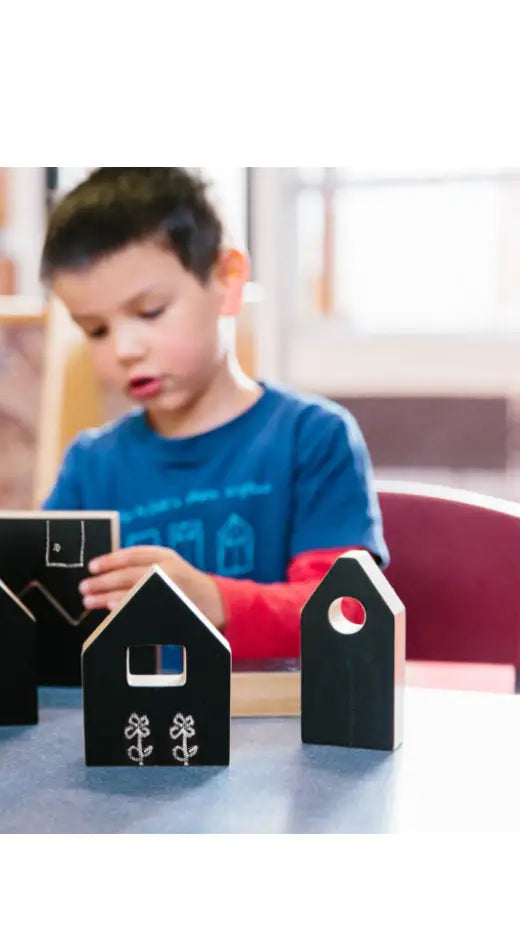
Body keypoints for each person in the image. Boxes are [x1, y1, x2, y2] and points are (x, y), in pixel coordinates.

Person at [40, 167, 387, 660]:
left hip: (282, 724)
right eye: (95, 330)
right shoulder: (91, 465)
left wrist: (213, 600)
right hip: (139, 727)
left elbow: (349, 612)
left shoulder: (312, 438)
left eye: (150, 311)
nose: (124, 348)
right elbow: (47, 614)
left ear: (227, 281)